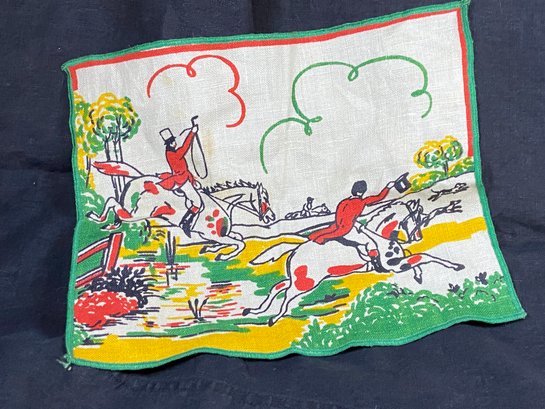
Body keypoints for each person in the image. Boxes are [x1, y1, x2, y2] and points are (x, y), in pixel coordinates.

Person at [308, 179, 397, 262]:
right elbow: (379, 197)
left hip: (337, 225)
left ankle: (313, 237)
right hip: (347, 229)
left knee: (324, 232)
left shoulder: (343, 202)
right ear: (360, 192)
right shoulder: (361, 202)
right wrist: (388, 187)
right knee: (370, 243)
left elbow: (340, 217)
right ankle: (375, 262)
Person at [158, 123, 202, 237]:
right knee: (198, 203)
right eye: (173, 141)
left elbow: (184, 169)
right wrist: (192, 132)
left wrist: (193, 180)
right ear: (170, 144)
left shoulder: (172, 153)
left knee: (195, 202)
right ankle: (185, 223)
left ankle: (186, 222)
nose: (174, 143)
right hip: (181, 181)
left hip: (184, 179)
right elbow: (185, 147)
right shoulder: (173, 154)